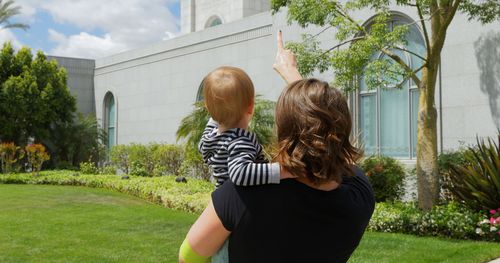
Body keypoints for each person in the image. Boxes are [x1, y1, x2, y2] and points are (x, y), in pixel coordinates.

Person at [178, 31, 375, 263]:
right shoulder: (360, 195)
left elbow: (188, 257)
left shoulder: (240, 196)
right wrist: (293, 76)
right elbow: (337, 150)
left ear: (283, 131)